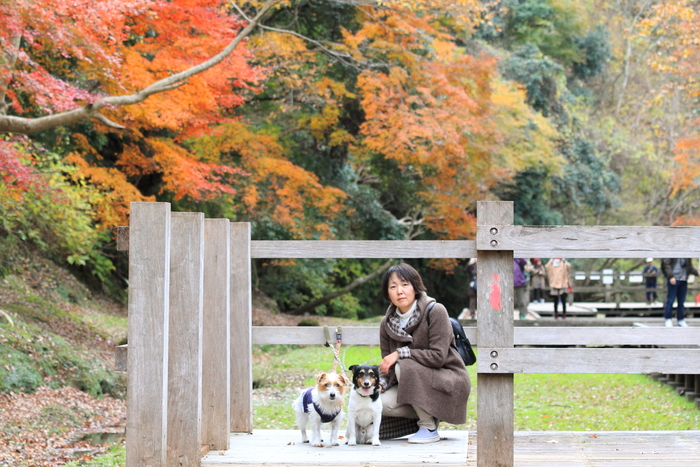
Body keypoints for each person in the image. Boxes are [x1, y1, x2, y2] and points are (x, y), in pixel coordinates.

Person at [378, 263, 471, 444]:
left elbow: (438, 357)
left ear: (415, 286)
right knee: (381, 401)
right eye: (393, 286)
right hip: (415, 382)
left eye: (405, 284)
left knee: (403, 365)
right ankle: (431, 413)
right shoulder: (386, 323)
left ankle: (428, 427)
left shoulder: (435, 310)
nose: (400, 291)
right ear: (387, 293)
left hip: (447, 377)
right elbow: (387, 365)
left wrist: (399, 353)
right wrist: (379, 385)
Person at [661, 258, 698, 327]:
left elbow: (689, 267)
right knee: (670, 300)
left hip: (683, 280)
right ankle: (668, 319)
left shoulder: (687, 255)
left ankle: (680, 319)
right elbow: (666, 264)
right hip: (674, 279)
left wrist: (697, 273)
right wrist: (670, 276)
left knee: (681, 301)